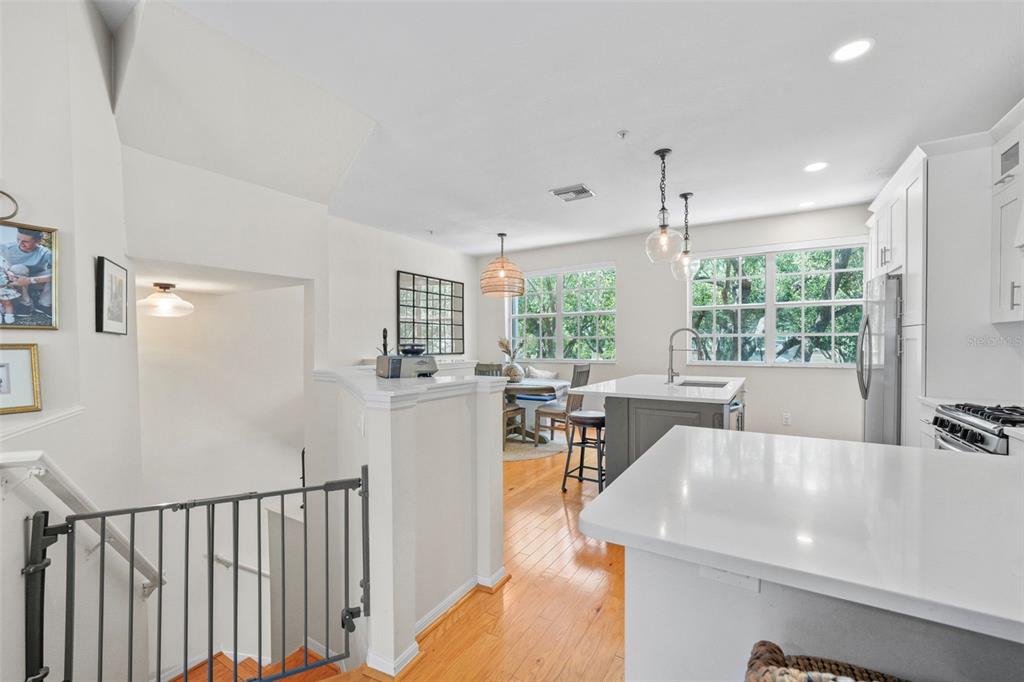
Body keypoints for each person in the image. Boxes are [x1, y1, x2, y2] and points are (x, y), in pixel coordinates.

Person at [0, 227, 53, 324]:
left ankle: (44, 304)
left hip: (36, 282)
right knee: (18, 268)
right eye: (18, 239)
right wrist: (7, 274)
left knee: (55, 272)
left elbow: (63, 272)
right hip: (15, 283)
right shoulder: (6, 248)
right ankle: (25, 304)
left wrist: (30, 280)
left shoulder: (45, 253)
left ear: (37, 241)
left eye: (25, 241)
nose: (20, 243)